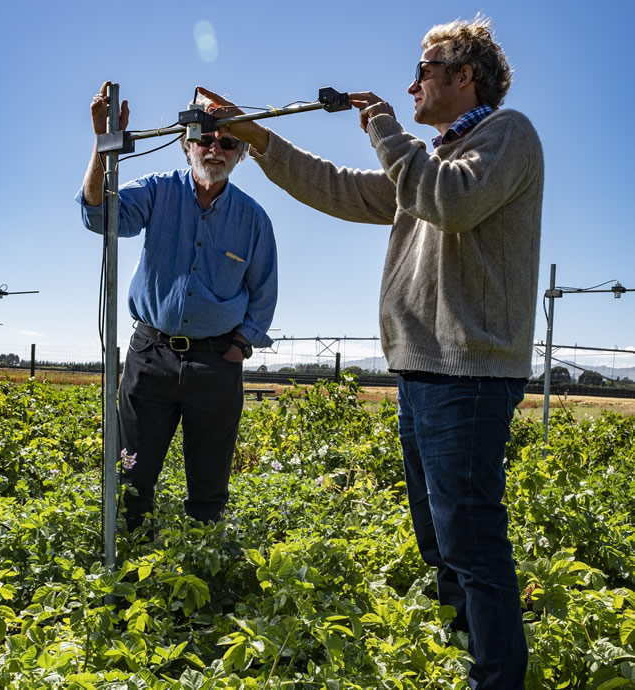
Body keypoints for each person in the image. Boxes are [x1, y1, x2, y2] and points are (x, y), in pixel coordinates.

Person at [199, 15, 542, 689]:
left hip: (468, 375)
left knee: (472, 546)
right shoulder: (428, 160)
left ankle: (496, 679)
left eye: (425, 68)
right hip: (422, 373)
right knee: (441, 544)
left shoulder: (506, 136)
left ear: (465, 74)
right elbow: (338, 186)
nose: (411, 81)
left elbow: (452, 202)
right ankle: (465, 661)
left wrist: (386, 128)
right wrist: (255, 136)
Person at [76, 81, 278, 532]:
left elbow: (263, 295)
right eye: (205, 138)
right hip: (151, 357)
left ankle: (201, 579)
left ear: (241, 154)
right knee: (132, 476)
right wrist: (101, 147)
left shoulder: (253, 219)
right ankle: (130, 572)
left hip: (215, 363)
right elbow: (98, 216)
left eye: (228, 142)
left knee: (209, 485)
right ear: (186, 145)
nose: (215, 148)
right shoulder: (157, 191)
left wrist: (239, 346)